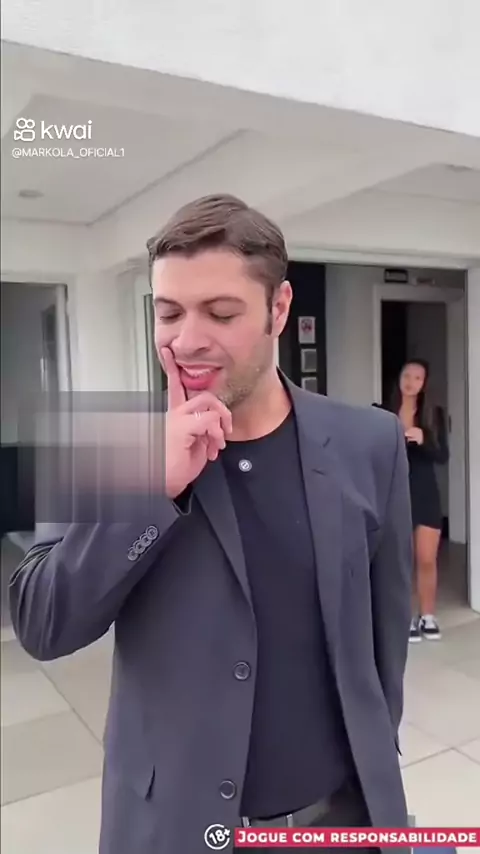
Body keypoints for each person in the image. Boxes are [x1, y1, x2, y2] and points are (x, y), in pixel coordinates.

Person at [9, 195, 412, 854]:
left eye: (221, 313)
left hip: (339, 825)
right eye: (169, 312)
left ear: (278, 309)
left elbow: (384, 645)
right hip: (179, 831)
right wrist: (152, 485)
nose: (187, 339)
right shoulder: (109, 442)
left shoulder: (370, 442)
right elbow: (42, 621)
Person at [386, 359, 449, 643]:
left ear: (425, 384)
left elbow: (443, 456)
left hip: (425, 492)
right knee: (401, 560)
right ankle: (405, 617)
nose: (410, 381)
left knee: (426, 558)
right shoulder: (385, 413)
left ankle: (428, 615)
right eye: (406, 375)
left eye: (417, 377)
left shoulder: (434, 415)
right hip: (395, 493)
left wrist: (424, 439)